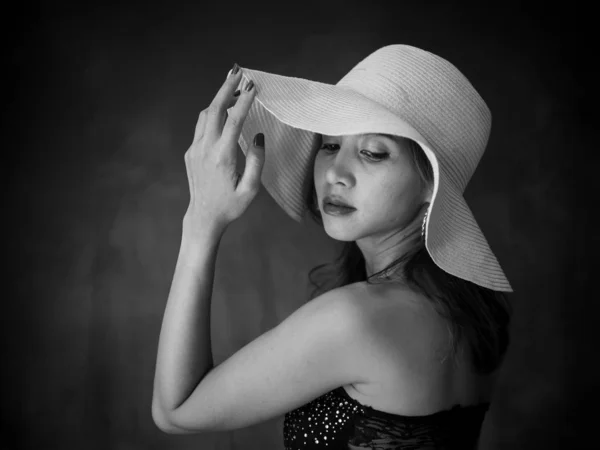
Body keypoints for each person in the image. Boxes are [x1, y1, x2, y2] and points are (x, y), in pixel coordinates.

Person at [152, 45, 514, 449]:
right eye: (328, 145)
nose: (336, 173)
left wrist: (201, 222)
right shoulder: (464, 313)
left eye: (372, 153)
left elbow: (175, 410)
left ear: (431, 185)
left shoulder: (356, 318)